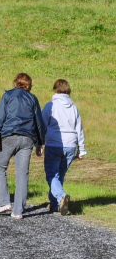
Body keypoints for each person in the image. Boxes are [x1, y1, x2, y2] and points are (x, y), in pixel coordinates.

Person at [0, 73, 46, 220]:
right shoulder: (33, 98)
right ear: (29, 84)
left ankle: (4, 202)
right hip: (28, 139)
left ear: (15, 82)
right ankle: (18, 211)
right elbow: (39, 122)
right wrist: (40, 143)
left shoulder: (8, 96)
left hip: (9, 136)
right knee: (22, 174)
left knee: (0, 167)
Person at [42, 79, 86, 215]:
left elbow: (42, 125)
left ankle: (61, 196)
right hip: (71, 145)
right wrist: (81, 149)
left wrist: (39, 143)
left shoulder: (51, 105)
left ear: (55, 90)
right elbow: (79, 129)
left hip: (54, 144)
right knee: (59, 175)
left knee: (52, 175)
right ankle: (55, 204)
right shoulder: (73, 107)